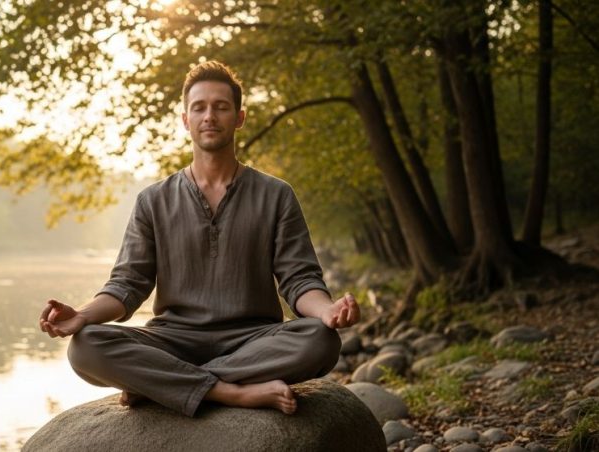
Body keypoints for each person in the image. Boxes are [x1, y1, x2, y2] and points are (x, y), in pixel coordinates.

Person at [39, 61, 361, 417]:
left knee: (320, 340)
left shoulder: (276, 195)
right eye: (199, 108)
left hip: (253, 340)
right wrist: (81, 315)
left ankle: (162, 387)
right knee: (85, 347)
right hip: (173, 341)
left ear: (239, 118)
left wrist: (327, 311)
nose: (210, 116)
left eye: (221, 107)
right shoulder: (153, 200)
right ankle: (230, 392)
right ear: (185, 120)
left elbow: (300, 280)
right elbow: (127, 285)